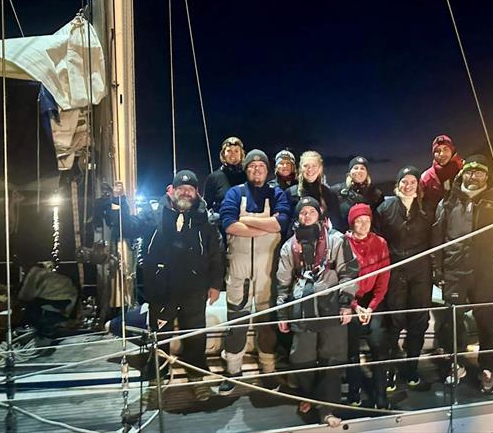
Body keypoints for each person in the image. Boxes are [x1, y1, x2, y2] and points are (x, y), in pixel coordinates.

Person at [432, 154, 493, 394]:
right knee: (452, 320)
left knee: (486, 320)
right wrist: (438, 269)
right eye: (469, 171)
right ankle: (455, 363)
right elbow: (437, 238)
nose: (474, 176)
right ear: (462, 174)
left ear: (486, 176)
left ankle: (487, 368)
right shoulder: (448, 203)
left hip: (484, 271)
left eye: (479, 172)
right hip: (455, 270)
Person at [276, 196, 359, 427]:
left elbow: (349, 272)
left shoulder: (337, 240)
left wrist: (346, 303)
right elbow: (283, 281)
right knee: (301, 358)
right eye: (303, 212)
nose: (307, 216)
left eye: (311, 212)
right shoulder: (290, 246)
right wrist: (282, 313)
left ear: (319, 215)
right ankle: (310, 397)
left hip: (331, 305)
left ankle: (327, 409)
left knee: (332, 359)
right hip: (302, 307)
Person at [143, 170, 224, 401]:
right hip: (162, 288)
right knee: (159, 336)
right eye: (182, 188)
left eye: (190, 189)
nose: (186, 193)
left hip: (194, 287)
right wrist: (116, 203)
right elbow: (129, 228)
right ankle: (155, 381)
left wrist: (215, 284)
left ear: (196, 193)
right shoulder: (154, 214)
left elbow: (216, 254)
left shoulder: (206, 219)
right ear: (172, 190)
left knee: (195, 336)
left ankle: (197, 379)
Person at [218, 149, 292, 394]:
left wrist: (246, 221)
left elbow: (281, 222)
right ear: (246, 169)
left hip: (267, 272)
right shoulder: (234, 193)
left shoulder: (277, 193)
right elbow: (228, 224)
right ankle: (233, 371)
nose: (256, 169)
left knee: (266, 325)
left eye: (261, 166)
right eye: (251, 166)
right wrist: (265, 227)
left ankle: (268, 370)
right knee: (236, 324)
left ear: (267, 170)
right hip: (238, 272)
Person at [377, 166, 433, 389]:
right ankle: (389, 369)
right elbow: (378, 238)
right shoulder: (386, 207)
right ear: (398, 183)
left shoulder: (427, 208)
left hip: (420, 270)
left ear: (418, 185)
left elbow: (435, 239)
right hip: (395, 268)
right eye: (404, 181)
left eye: (412, 181)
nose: (408, 185)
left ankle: (411, 367)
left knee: (419, 320)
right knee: (394, 320)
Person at [344, 203, 390, 409]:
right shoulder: (343, 243)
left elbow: (383, 278)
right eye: (359, 221)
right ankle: (353, 392)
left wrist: (371, 306)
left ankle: (381, 395)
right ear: (352, 223)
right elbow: (341, 279)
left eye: (367, 221)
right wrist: (355, 306)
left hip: (372, 302)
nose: (363, 225)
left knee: (379, 345)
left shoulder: (380, 243)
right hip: (350, 301)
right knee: (351, 349)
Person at [287, 151, 344, 233]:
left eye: (314, 166)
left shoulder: (329, 194)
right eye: (306, 166)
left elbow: (337, 224)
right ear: (300, 168)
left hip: (325, 238)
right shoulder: (290, 193)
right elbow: (287, 224)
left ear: (320, 168)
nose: (310, 169)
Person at [332, 156, 385, 232]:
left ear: (367, 173)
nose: (359, 171)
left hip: (366, 236)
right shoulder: (336, 191)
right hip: (341, 236)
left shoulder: (376, 194)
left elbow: (379, 221)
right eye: (356, 168)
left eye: (362, 168)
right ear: (350, 171)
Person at [420, 134, 463, 214]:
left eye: (445, 149)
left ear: (452, 150)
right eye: (437, 151)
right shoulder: (425, 177)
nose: (442, 154)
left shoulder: (464, 170)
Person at [204, 136, 247, 215]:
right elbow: (206, 206)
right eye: (229, 151)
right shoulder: (213, 178)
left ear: (241, 154)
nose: (232, 154)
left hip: (247, 219)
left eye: (236, 151)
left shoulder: (248, 176)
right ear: (223, 154)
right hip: (222, 220)